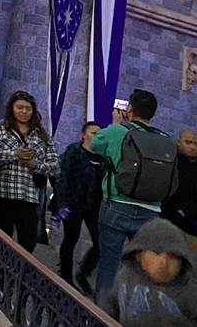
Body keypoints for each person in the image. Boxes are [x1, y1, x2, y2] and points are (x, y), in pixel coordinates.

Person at [92, 88, 181, 301]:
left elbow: (95, 145)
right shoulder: (164, 139)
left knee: (109, 262)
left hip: (116, 205)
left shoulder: (117, 131)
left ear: (129, 109)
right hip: (151, 211)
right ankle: (136, 310)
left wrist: (115, 123)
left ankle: (102, 310)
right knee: (143, 267)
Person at [0, 90, 60, 252]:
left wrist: (35, 165)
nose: (24, 111)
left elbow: (55, 166)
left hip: (29, 197)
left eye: (28, 108)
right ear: (12, 108)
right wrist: (15, 154)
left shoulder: (42, 135)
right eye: (19, 107)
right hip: (2, 194)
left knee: (28, 244)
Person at [104, 217, 197, 326]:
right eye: (157, 254)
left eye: (173, 256)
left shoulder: (189, 293)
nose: (164, 263)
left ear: (182, 261)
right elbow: (109, 307)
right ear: (139, 255)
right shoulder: (125, 277)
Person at [56, 121, 105, 292]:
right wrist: (63, 203)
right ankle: (65, 275)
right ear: (83, 135)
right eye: (93, 133)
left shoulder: (103, 157)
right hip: (73, 203)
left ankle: (83, 273)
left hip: (94, 207)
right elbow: (63, 177)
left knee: (100, 243)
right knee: (71, 239)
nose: (97, 136)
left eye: (99, 134)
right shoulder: (73, 151)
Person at [163, 128, 197, 255]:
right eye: (188, 142)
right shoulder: (170, 163)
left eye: (196, 144)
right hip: (171, 225)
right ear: (178, 142)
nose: (192, 147)